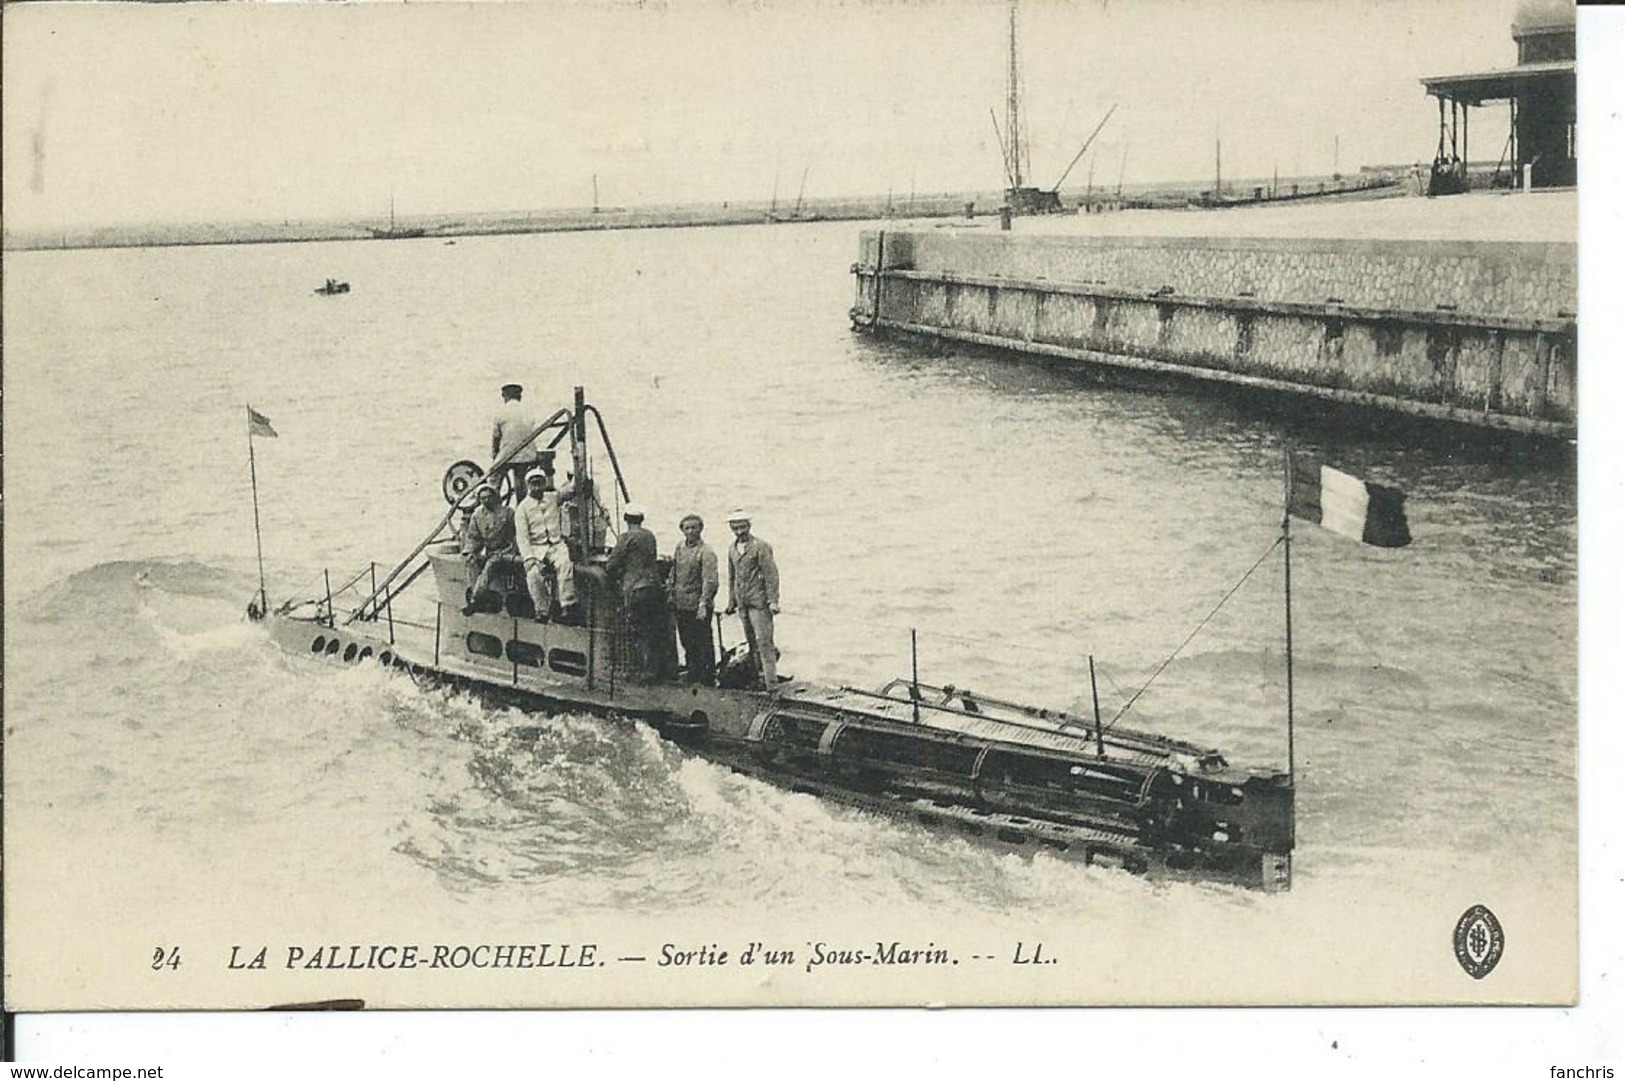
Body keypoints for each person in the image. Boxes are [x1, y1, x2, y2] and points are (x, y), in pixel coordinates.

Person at [605, 504, 665, 681]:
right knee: (652, 629)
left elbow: (612, 565)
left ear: (626, 519)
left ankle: (642, 671)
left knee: (637, 630)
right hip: (654, 587)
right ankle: (655, 668)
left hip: (636, 589)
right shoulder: (650, 536)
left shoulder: (626, 537)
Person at [723, 508, 780, 691]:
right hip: (742, 602)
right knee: (751, 642)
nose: (739, 531)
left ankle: (771, 683)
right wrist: (731, 601)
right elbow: (732, 577)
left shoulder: (760, 546)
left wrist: (773, 600)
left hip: (758, 602)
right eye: (735, 528)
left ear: (749, 526)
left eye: (742, 527)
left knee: (764, 641)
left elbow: (771, 574)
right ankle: (756, 678)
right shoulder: (732, 549)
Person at [513, 468, 579, 623]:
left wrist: (578, 469)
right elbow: (522, 537)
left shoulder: (552, 498)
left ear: (544, 484)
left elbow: (571, 490)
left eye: (540, 483)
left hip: (556, 544)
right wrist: (528, 558)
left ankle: (567, 605)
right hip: (537, 547)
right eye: (533, 484)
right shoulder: (522, 509)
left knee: (565, 564)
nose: (537, 487)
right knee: (533, 574)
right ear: (528, 485)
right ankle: (542, 609)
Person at [668, 513, 719, 685]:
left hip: (698, 605)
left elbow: (710, 580)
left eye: (694, 528)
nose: (690, 531)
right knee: (687, 641)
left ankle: (707, 677)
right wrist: (671, 593)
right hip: (681, 603)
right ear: (682, 530)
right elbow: (674, 572)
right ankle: (693, 673)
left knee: (703, 641)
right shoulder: (680, 547)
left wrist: (704, 604)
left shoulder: (706, 552)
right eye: (687, 528)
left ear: (700, 529)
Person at [461, 482, 520, 614]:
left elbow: (518, 534)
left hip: (508, 551)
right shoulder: (477, 516)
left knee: (491, 565)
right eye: (483, 498)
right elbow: (473, 537)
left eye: (489, 497)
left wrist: (511, 550)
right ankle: (475, 592)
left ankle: (475, 600)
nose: (486, 501)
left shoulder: (508, 513)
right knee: (471, 562)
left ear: (495, 497)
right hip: (490, 551)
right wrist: (470, 551)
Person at [492, 382, 542, 502]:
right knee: (521, 484)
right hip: (528, 455)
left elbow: (496, 438)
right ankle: (522, 506)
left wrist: (494, 455)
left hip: (507, 454)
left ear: (505, 396)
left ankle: (493, 503)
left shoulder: (500, 413)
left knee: (494, 479)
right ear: (520, 396)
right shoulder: (528, 412)